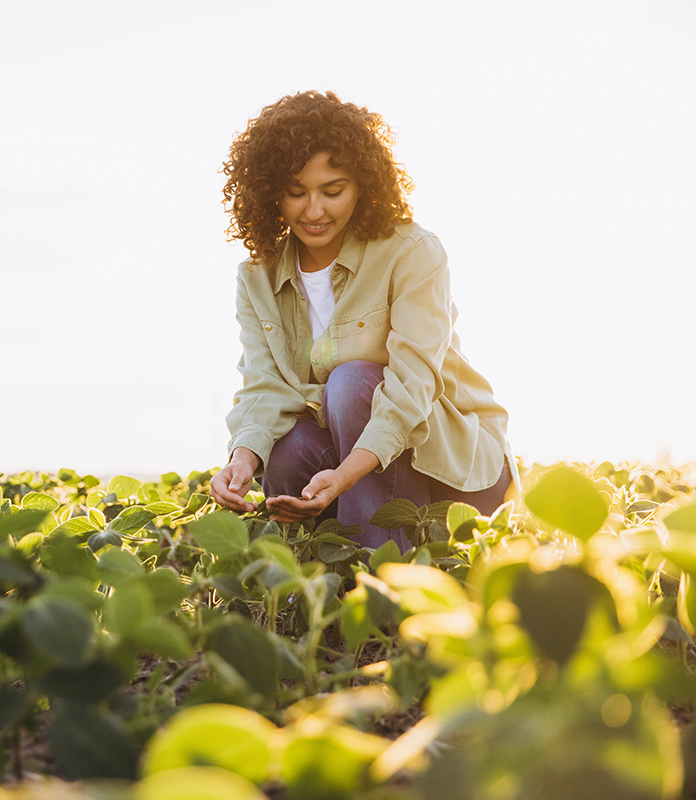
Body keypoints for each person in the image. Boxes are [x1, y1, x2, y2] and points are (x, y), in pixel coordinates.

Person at [206, 90, 516, 551]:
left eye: (333, 191)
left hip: (451, 472)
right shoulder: (256, 276)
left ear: (363, 185)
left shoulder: (412, 251)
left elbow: (413, 386)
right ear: (270, 192)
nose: (314, 211)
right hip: (345, 465)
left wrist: (346, 475)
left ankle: (382, 589)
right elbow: (264, 387)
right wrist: (242, 459)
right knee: (286, 447)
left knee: (351, 383)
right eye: (295, 193)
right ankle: (317, 592)